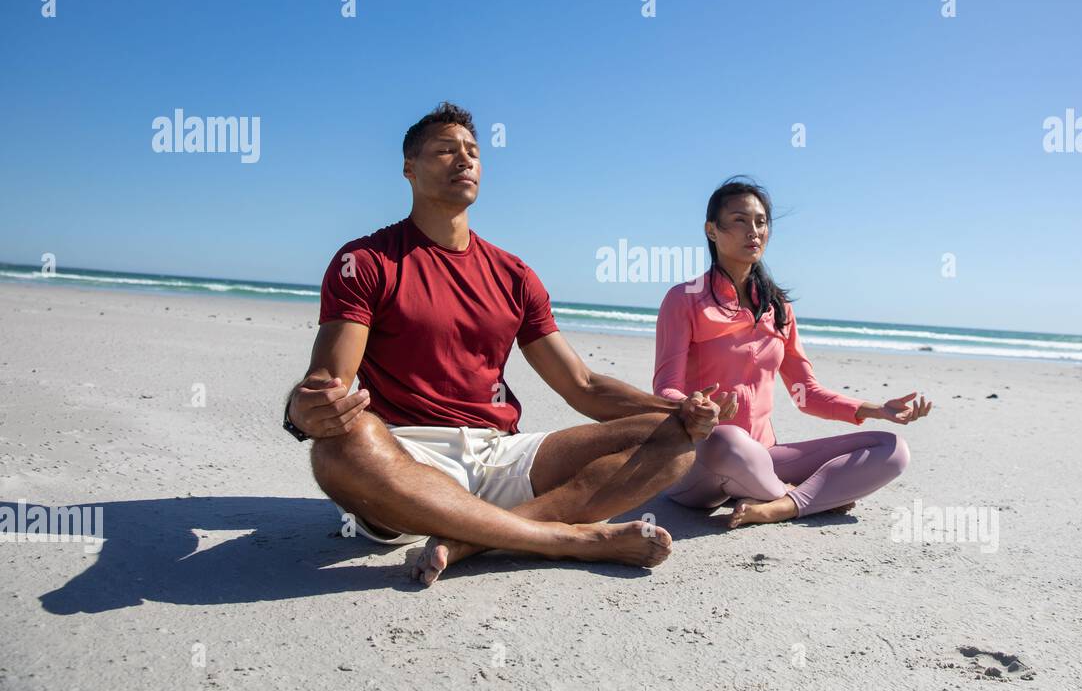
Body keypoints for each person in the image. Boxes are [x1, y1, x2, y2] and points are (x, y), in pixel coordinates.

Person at [284, 102, 724, 585]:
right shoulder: (367, 260)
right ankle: (564, 538)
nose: (464, 160)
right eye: (445, 151)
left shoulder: (513, 274)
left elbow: (582, 385)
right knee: (336, 447)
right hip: (406, 460)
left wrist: (675, 412)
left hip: (500, 454)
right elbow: (330, 384)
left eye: (472, 152)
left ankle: (473, 539)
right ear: (409, 169)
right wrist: (306, 411)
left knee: (672, 443)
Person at [653, 178, 931, 529]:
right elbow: (665, 388)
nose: (753, 231)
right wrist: (693, 405)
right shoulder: (684, 299)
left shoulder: (777, 308)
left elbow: (807, 395)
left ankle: (782, 505)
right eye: (739, 220)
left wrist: (875, 409)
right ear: (712, 230)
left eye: (760, 221)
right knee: (729, 439)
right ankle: (806, 497)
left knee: (891, 448)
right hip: (699, 457)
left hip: (764, 456)